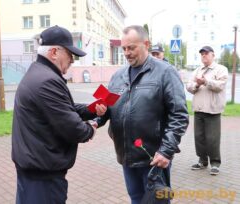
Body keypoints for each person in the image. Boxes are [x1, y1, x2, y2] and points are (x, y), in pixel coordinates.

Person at [11, 25, 106, 204]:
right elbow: (74, 129)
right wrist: (93, 126)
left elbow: (62, 108)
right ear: (54, 52)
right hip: (42, 178)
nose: (72, 59)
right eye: (69, 54)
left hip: (35, 170)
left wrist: (91, 109)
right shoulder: (47, 81)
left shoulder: (39, 72)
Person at [96, 25, 189, 203]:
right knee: (136, 199)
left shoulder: (166, 72)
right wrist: (95, 119)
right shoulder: (117, 75)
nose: (127, 53)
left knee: (157, 201)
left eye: (131, 47)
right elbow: (105, 106)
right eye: (124, 48)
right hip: (126, 155)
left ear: (146, 44)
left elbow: (179, 115)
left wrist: (166, 151)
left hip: (154, 157)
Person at [186, 45, 228, 176]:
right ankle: (202, 161)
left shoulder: (220, 69)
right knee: (199, 138)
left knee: (212, 138)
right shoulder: (197, 70)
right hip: (198, 110)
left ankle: (215, 163)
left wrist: (205, 81)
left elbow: (220, 86)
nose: (204, 55)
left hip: (213, 110)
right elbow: (189, 86)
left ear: (213, 55)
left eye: (206, 53)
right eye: (202, 54)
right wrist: (197, 84)